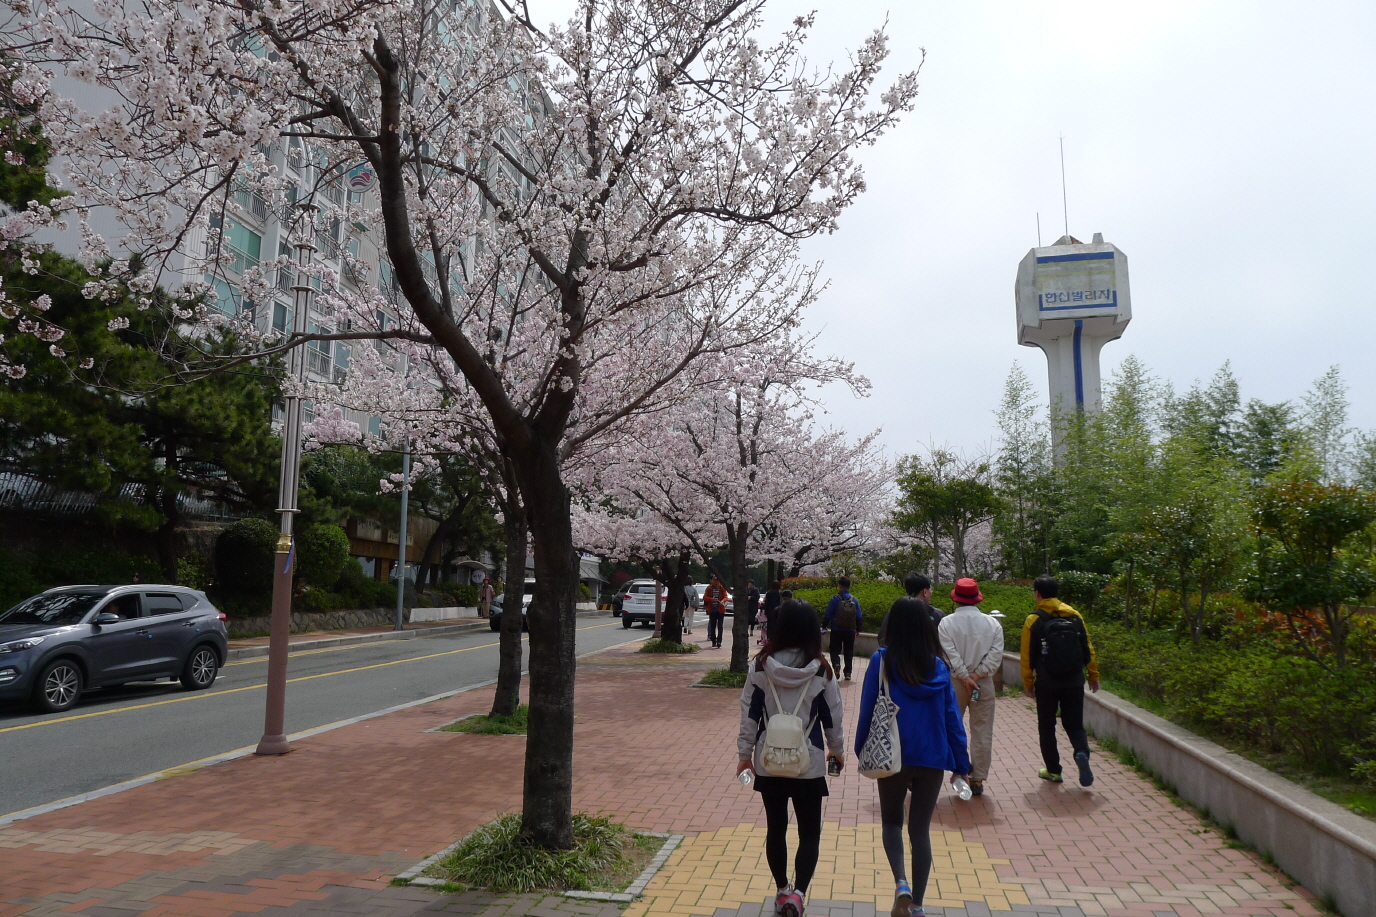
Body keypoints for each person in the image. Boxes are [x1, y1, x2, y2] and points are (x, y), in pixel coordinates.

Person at [856, 597, 970, 917]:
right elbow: (952, 719)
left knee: (892, 822)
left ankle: (901, 883)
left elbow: (868, 708)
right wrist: (961, 764)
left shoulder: (882, 661)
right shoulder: (939, 667)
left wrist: (861, 747)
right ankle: (917, 905)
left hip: (893, 754)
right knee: (920, 830)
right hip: (932, 757)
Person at [737, 600, 845, 917]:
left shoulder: (760, 666)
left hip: (769, 761)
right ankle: (798, 895)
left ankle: (783, 889)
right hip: (808, 763)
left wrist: (744, 755)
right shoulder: (821, 669)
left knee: (776, 829)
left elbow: (749, 715)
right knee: (809, 833)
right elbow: (833, 716)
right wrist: (836, 750)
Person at [1020, 575, 1100, 786]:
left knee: (1047, 726)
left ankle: (1053, 771)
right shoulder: (1074, 615)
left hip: (1046, 682)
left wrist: (1028, 683)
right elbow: (1087, 647)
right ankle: (1081, 752)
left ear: (1037, 594)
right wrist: (1093, 674)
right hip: (1074, 680)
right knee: (1074, 724)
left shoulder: (1034, 620)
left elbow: (1027, 656)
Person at [937, 578, 1004, 797]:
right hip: (982, 682)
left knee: (951, 727)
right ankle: (977, 779)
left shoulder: (946, 623)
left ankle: (958, 770)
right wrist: (976, 675)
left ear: (955, 598)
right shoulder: (993, 624)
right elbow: (995, 656)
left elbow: (949, 653)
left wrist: (965, 676)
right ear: (977, 598)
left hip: (955, 683)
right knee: (982, 729)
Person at [822, 576, 863, 680]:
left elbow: (828, 614)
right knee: (849, 651)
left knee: (834, 649)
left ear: (840, 586)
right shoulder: (854, 600)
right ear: (849, 587)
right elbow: (859, 616)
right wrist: (858, 628)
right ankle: (848, 673)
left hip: (837, 629)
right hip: (850, 630)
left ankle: (836, 664)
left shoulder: (835, 599)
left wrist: (824, 625)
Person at [704, 575, 729, 648]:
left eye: (717, 580)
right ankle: (713, 641)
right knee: (713, 625)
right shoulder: (709, 588)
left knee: (720, 625)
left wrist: (722, 601)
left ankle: (719, 641)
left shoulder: (722, 588)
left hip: (720, 609)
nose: (716, 582)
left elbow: (725, 597)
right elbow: (705, 597)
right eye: (715, 580)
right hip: (712, 609)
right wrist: (711, 599)